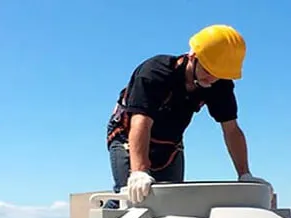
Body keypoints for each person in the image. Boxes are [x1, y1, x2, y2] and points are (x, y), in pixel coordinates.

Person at [104, 24, 272, 206]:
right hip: (127, 135)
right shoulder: (155, 73)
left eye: (219, 74)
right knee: (134, 198)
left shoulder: (219, 85)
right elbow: (140, 123)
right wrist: (138, 172)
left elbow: (231, 130)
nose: (212, 79)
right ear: (193, 56)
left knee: (172, 202)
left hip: (170, 143)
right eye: (208, 70)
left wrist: (244, 174)